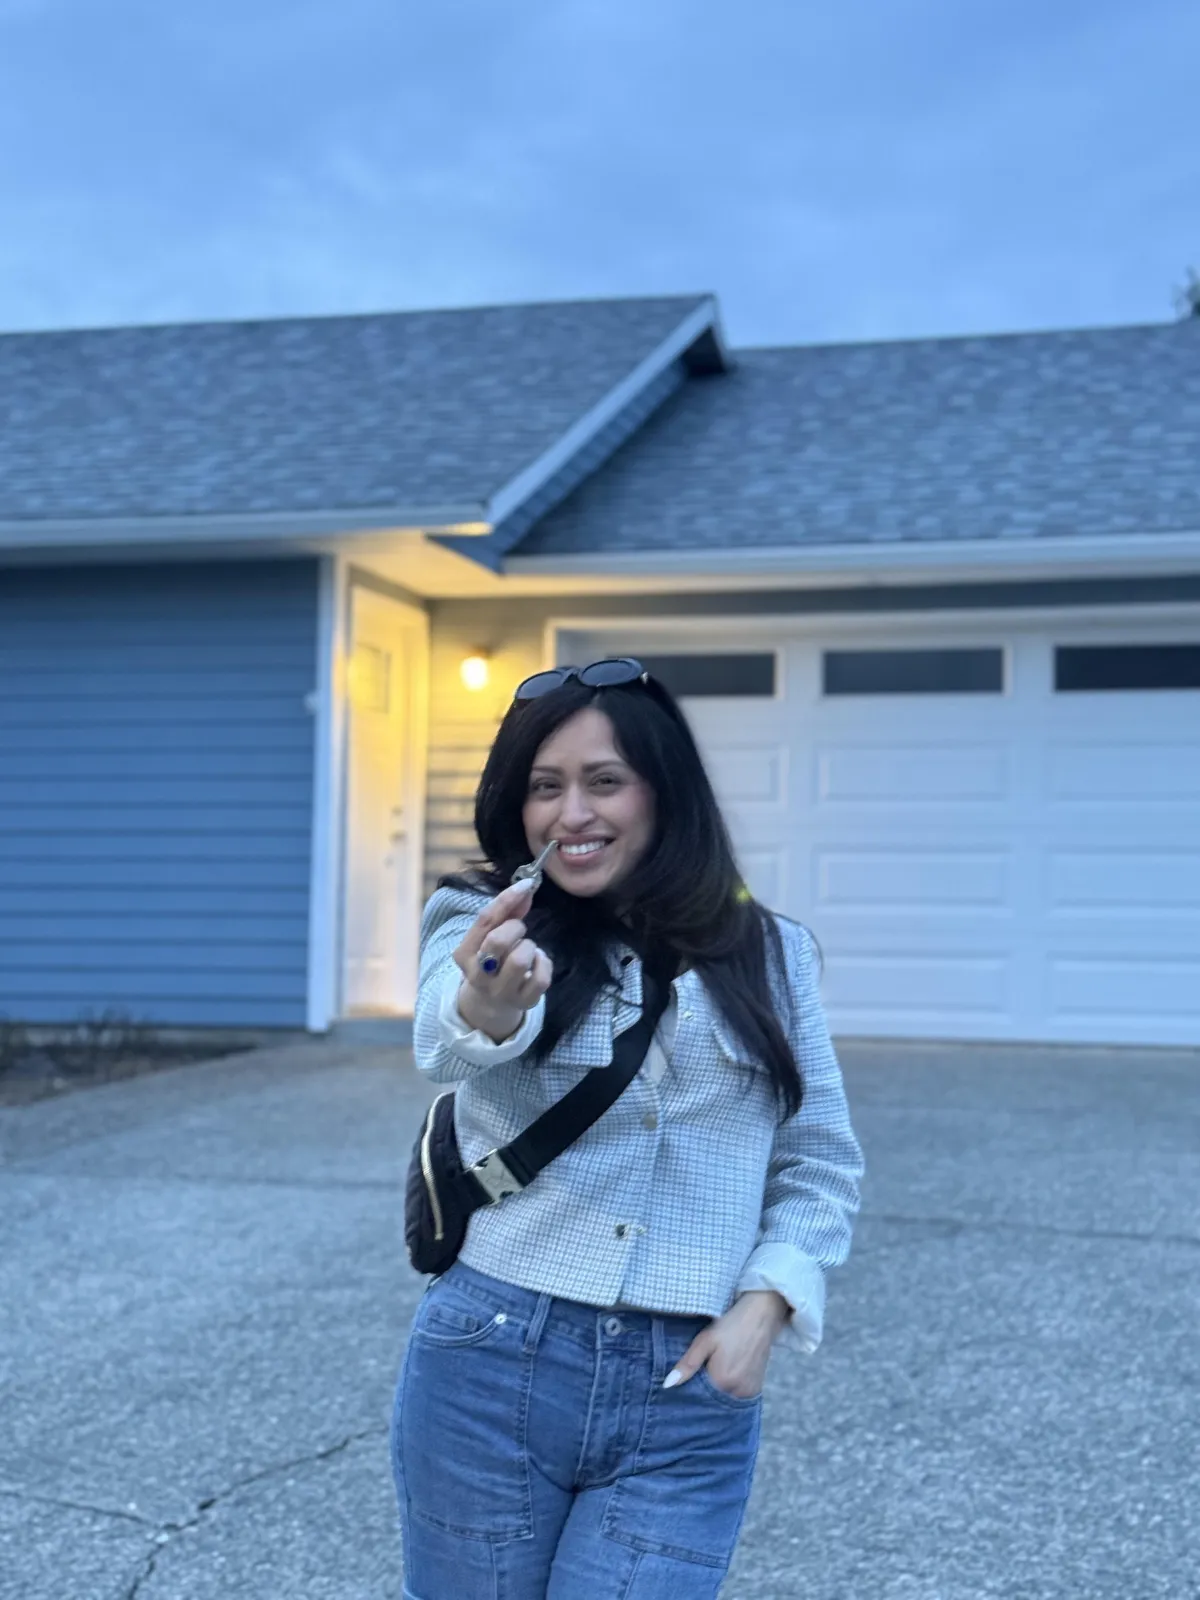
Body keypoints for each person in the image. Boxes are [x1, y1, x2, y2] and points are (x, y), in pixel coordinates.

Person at [390, 659, 863, 1600]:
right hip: (489, 1357)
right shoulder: (483, 920)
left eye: (604, 781)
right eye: (544, 787)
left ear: (662, 790)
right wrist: (488, 1001)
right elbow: (446, 1040)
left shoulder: (771, 955)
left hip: (686, 1389)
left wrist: (765, 1309)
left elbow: (818, 1163)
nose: (572, 814)